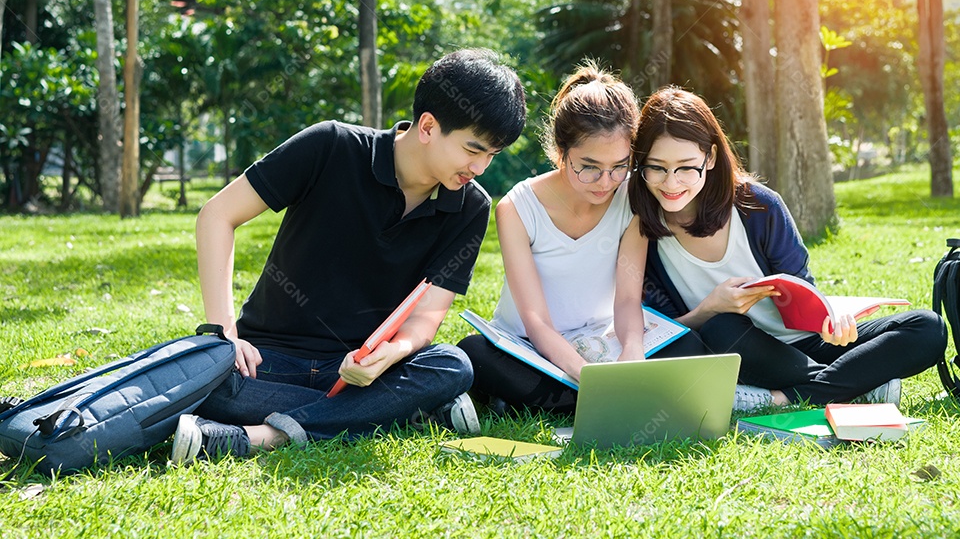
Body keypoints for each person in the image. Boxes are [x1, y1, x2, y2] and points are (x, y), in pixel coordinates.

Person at [169, 48, 527, 464]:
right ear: (429, 126)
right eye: (473, 150)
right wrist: (224, 332)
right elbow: (217, 215)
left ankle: (262, 437)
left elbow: (426, 318)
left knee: (452, 366)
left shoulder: (470, 206)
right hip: (268, 361)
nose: (480, 168)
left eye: (492, 155)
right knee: (207, 381)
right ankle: (399, 412)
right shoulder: (330, 146)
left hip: (363, 373)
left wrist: (395, 351)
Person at [624, 87, 947, 409]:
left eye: (686, 167)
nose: (671, 183)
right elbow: (667, 333)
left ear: (709, 158)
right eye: (657, 167)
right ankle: (855, 385)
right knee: (720, 327)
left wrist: (831, 324)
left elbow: (803, 293)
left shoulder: (759, 207)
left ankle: (784, 397)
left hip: (806, 346)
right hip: (739, 347)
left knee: (928, 327)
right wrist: (710, 307)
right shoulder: (640, 229)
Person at [459, 63, 705, 414]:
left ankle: (543, 401)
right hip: (530, 345)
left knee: (690, 346)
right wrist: (588, 375)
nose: (605, 182)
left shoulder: (632, 197)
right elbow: (536, 322)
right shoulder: (518, 207)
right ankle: (603, 395)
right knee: (474, 353)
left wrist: (632, 352)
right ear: (561, 153)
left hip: (600, 338)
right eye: (589, 167)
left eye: (619, 166)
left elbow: (627, 300)